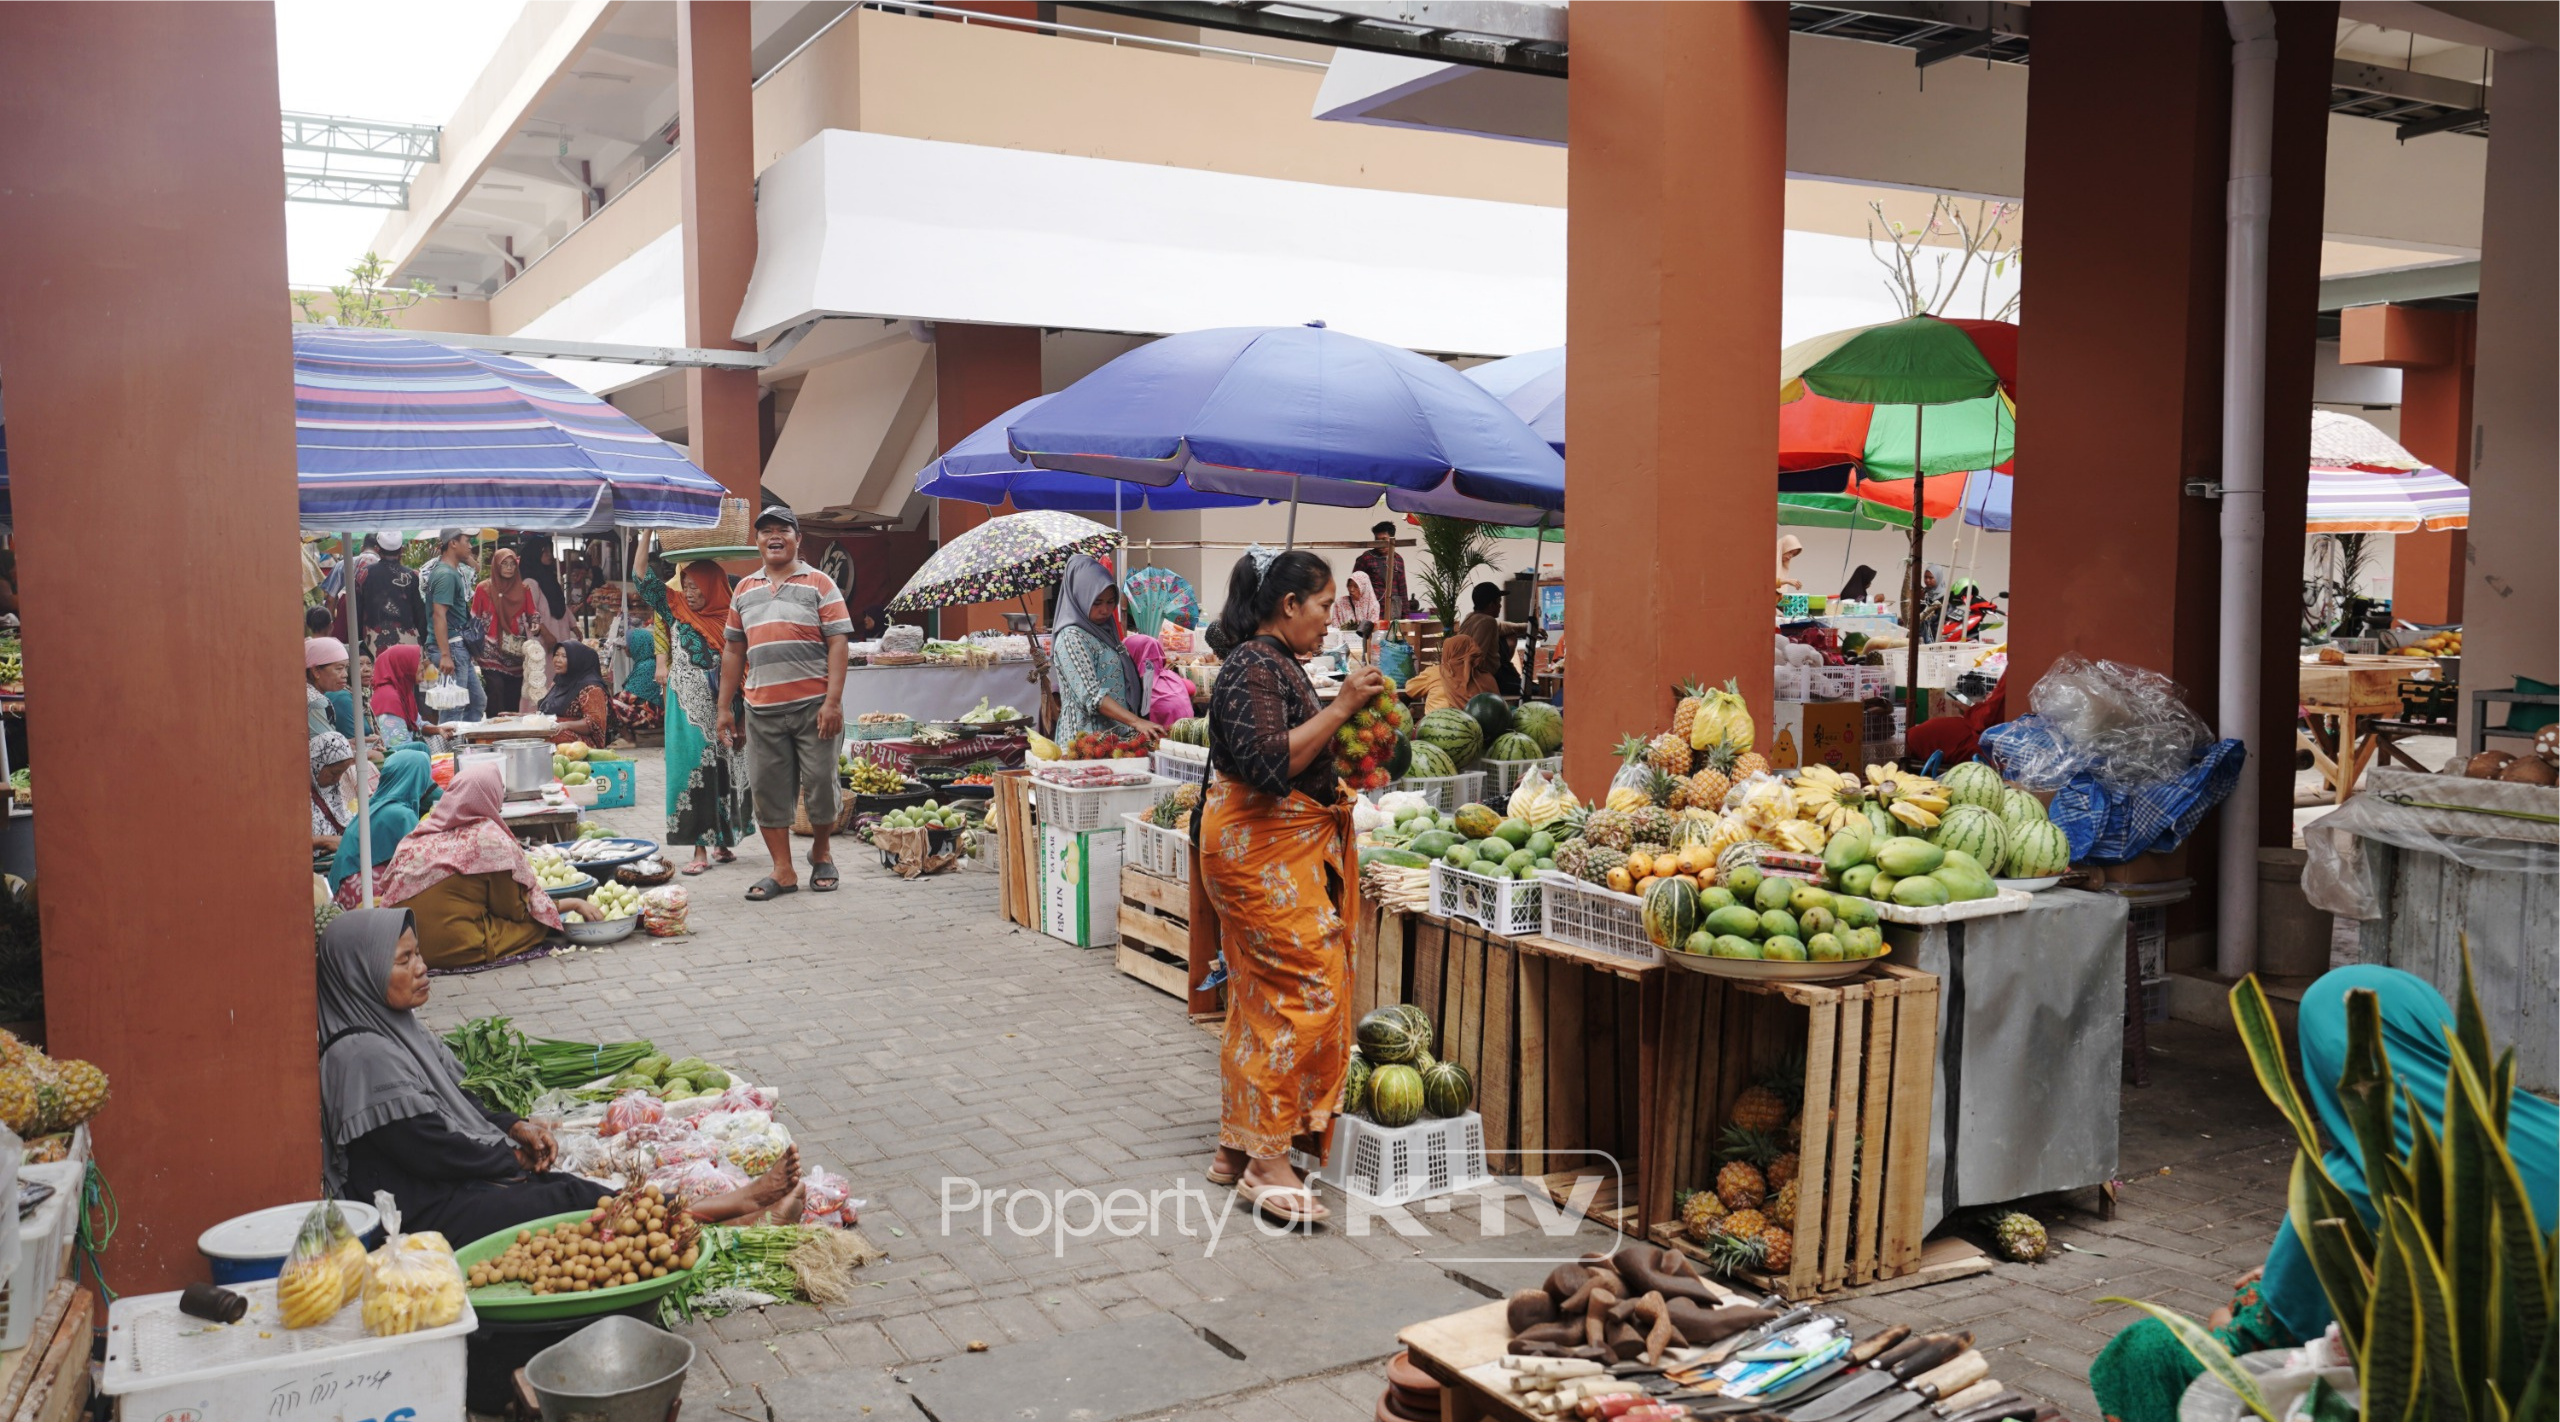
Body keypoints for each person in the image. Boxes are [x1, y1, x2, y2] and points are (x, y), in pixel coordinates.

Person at [2088, 966, 2558, 1422]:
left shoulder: (2343, 1192)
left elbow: (2262, 1347)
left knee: (2147, 1348)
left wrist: (2241, 1305)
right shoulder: (2550, 1130)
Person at [319, 908, 807, 1244]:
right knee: (565, 1200)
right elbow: (427, 1145)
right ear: (359, 973)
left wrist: (513, 1126)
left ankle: (727, 1212)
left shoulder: (397, 1030)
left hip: (445, 1187)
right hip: (416, 1214)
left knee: (566, 1191)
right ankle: (736, 1214)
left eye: (418, 954)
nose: (423, 968)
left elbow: (457, 1107)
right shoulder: (360, 1055)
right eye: (404, 961)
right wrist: (506, 1162)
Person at [1189, 549, 1389, 1226]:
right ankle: (1269, 1162)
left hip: (1274, 850)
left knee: (1260, 994)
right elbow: (1270, 763)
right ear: (1289, 604)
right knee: (1304, 988)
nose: (1332, 620)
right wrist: (1339, 709)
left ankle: (1236, 1148)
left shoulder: (1276, 665)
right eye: (1326, 604)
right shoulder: (1252, 664)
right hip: (1259, 852)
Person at [716, 507, 851, 901]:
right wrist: (725, 708)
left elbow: (838, 642)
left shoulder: (820, 583)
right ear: (757, 542)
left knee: (821, 787)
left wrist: (833, 702)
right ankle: (783, 870)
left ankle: (821, 852)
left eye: (782, 530)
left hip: (814, 706)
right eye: (766, 532)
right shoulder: (743, 590)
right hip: (761, 708)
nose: (774, 537)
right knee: (768, 791)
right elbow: (733, 650)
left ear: (797, 538)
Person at [359, 762, 588, 968]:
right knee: (538, 927)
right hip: (453, 946)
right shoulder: (491, 842)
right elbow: (515, 911)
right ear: (492, 797)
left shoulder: (420, 834)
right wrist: (571, 904)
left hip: (400, 942)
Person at [640, 555, 750, 876]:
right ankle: (699, 849)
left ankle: (723, 842)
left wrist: (738, 714)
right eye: (685, 586)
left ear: (713, 587)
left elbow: (743, 664)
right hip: (686, 708)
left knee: (726, 770)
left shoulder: (731, 620)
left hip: (727, 705)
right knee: (691, 771)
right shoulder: (675, 611)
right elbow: (642, 578)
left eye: (695, 587)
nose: (688, 593)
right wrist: (644, 531)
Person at [1050, 555, 1159, 747]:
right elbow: (1092, 696)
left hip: (1115, 739)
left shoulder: (1105, 633)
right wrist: (1136, 721)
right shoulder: (1071, 637)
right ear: (1079, 597)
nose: (1105, 610)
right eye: (1097, 602)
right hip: (1086, 744)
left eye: (1110, 602)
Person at [330, 745, 435, 903]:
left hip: (343, 890)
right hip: (362, 895)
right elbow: (419, 863)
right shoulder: (401, 815)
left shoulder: (372, 805)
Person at [424, 529, 486, 723]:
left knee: (476, 701)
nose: (470, 546)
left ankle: (465, 748)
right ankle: (449, 751)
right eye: (466, 541)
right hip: (451, 646)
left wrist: (467, 558)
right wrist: (445, 654)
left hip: (456, 646)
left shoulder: (450, 570)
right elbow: (439, 614)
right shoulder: (446, 575)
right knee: (453, 708)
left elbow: (475, 567)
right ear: (453, 543)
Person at [471, 547, 541, 714]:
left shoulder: (523, 590)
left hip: (514, 650)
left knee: (512, 693)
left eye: (512, 564)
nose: (509, 568)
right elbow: (474, 617)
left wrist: (535, 623)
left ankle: (510, 732)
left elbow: (532, 612)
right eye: (505, 564)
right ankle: (494, 730)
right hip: (490, 649)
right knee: (495, 689)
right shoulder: (483, 588)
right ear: (496, 566)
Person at [356, 532, 427, 655]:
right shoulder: (413, 576)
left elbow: (357, 611)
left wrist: (359, 641)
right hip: (409, 641)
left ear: (377, 549)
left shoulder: (364, 575)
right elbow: (421, 614)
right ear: (402, 550)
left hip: (374, 639)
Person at [1456, 583, 1527, 697]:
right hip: (1489, 678)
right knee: (1532, 690)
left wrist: (1528, 628)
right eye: (1498, 602)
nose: (1500, 606)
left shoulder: (1471, 617)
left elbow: (1503, 627)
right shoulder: (1488, 622)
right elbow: (1477, 656)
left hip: (1472, 674)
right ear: (1491, 605)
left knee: (1510, 634)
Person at [1403, 632, 1496, 714]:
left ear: (1449, 652)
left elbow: (1410, 688)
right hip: (1478, 730)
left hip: (1437, 728)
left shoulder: (1435, 672)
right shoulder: (1488, 678)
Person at [539, 643, 611, 747]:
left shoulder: (592, 688)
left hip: (581, 741)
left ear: (576, 660)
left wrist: (566, 725)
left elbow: (594, 723)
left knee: (548, 737)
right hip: (553, 729)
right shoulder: (558, 682)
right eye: (556, 655)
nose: (558, 660)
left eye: (564, 656)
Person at [1123, 632, 1195, 730]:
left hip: (1164, 736)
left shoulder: (1140, 684)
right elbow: (1192, 688)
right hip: (1188, 731)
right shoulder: (1171, 675)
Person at [310, 730, 359, 860]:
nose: (337, 780)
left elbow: (342, 818)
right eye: (334, 773)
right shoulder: (294, 797)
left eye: (341, 773)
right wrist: (324, 841)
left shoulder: (330, 790)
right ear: (317, 765)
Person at [1352, 522, 1412, 623]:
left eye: (1384, 540)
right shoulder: (1366, 557)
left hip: (1394, 613)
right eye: (1377, 540)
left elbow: (1402, 589)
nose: (1380, 544)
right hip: (1371, 614)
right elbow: (1354, 585)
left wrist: (1406, 616)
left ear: (1392, 539)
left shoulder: (1398, 559)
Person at [613, 623, 664, 741]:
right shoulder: (644, 663)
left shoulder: (647, 666)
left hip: (652, 716)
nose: (626, 647)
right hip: (649, 710)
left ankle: (628, 737)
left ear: (638, 645)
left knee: (610, 707)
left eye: (629, 644)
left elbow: (629, 696)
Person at [370, 642, 426, 746]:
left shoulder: (404, 691)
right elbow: (396, 744)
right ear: (403, 665)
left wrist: (439, 729)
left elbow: (418, 723)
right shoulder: (387, 696)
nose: (422, 667)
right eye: (417, 662)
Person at [306, 637, 358, 741]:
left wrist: (349, 744)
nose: (345, 674)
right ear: (316, 671)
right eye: (339, 668)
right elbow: (328, 751)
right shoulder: (317, 702)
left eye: (346, 668)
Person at [1330, 569, 1381, 642]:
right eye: (1349, 585)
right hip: (1343, 643)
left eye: (1356, 586)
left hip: (1365, 645)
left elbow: (1372, 630)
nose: (1351, 589)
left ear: (1364, 587)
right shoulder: (1340, 603)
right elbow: (1335, 628)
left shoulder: (1373, 605)